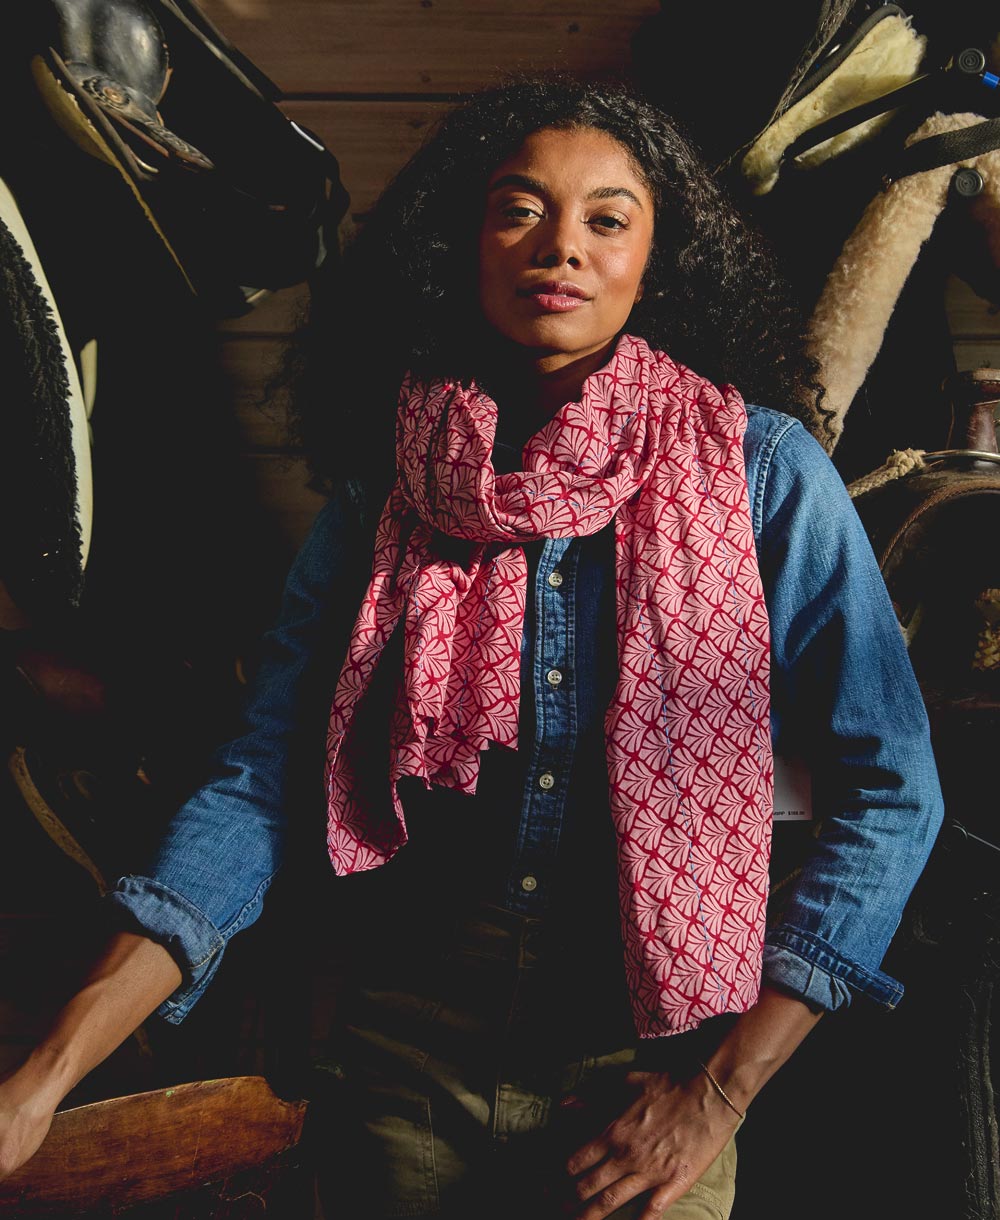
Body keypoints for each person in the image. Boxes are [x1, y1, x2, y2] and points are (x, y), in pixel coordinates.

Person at [0, 77, 943, 1219]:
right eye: (518, 209)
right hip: (401, 1054)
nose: (561, 248)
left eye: (607, 218)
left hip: (642, 1068)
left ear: (661, 261)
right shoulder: (389, 486)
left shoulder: (760, 472)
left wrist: (716, 1092)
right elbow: (261, 786)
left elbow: (892, 794)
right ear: (464, 242)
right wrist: (43, 1077)